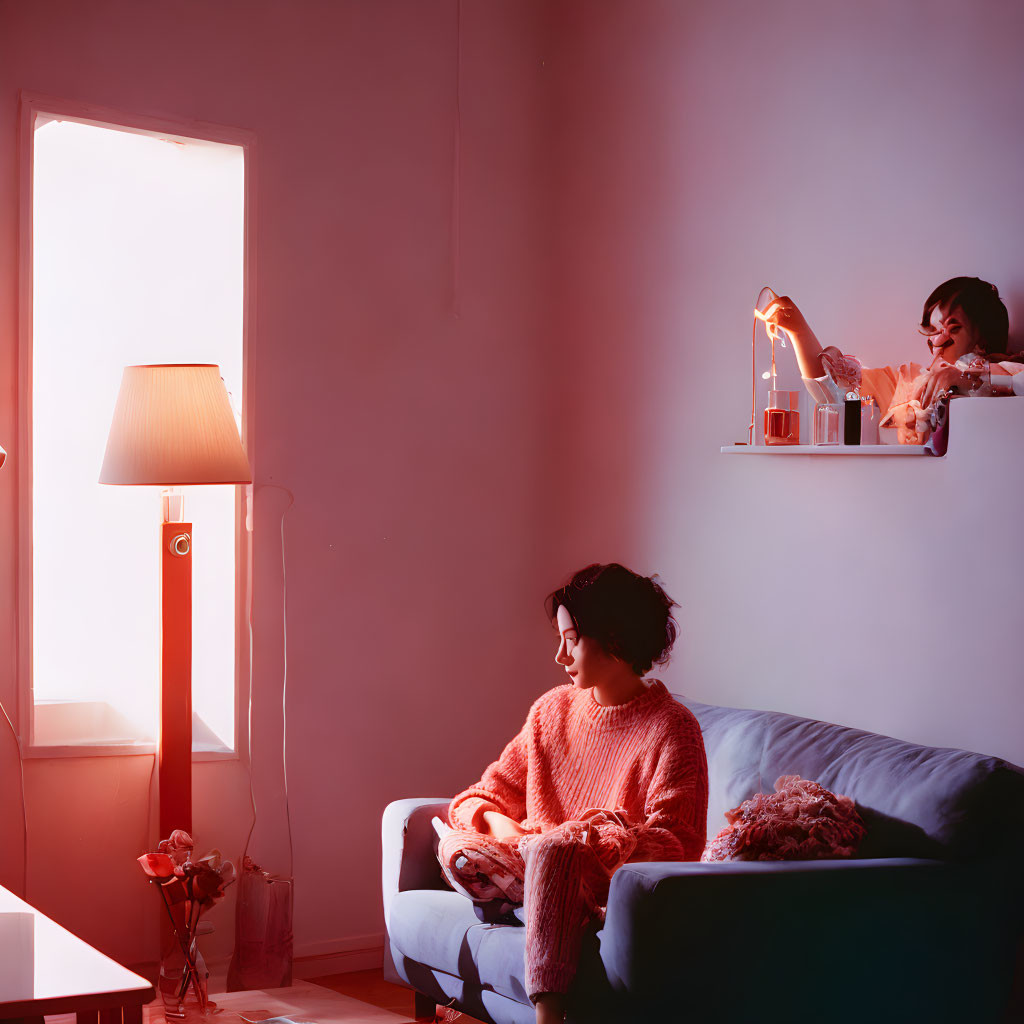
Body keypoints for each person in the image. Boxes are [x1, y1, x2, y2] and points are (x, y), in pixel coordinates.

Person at [435, 563, 709, 1024]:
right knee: (455, 843)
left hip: (594, 881)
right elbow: (479, 797)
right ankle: (524, 896)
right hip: (524, 859)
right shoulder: (551, 709)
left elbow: (679, 843)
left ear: (615, 639)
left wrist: (583, 844)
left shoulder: (672, 728)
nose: (560, 656)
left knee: (556, 852)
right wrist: (510, 831)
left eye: (570, 640)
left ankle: (547, 1011)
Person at [762, 277, 1024, 444]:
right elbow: (830, 391)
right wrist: (797, 328)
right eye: (933, 330)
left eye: (953, 329)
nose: (938, 340)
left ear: (984, 340)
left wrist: (964, 377)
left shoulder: (1008, 373)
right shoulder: (905, 381)